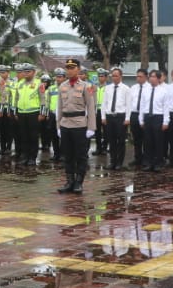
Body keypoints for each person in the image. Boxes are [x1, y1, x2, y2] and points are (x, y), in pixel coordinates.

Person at [55, 59, 96, 192]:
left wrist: (91, 127)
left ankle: (79, 182)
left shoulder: (86, 86)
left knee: (80, 155)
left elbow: (91, 107)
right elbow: (59, 107)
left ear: (78, 69)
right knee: (67, 155)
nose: (69, 70)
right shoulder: (62, 86)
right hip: (65, 124)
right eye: (67, 68)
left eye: (72, 68)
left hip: (79, 124)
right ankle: (69, 181)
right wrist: (58, 126)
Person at [100, 67, 131, 170]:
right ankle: (112, 162)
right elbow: (104, 103)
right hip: (110, 116)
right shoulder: (108, 88)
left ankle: (119, 163)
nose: (114, 77)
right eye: (112, 76)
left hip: (120, 117)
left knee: (121, 141)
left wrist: (127, 118)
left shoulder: (126, 88)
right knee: (111, 140)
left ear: (121, 76)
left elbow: (128, 105)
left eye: (116, 75)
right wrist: (103, 117)